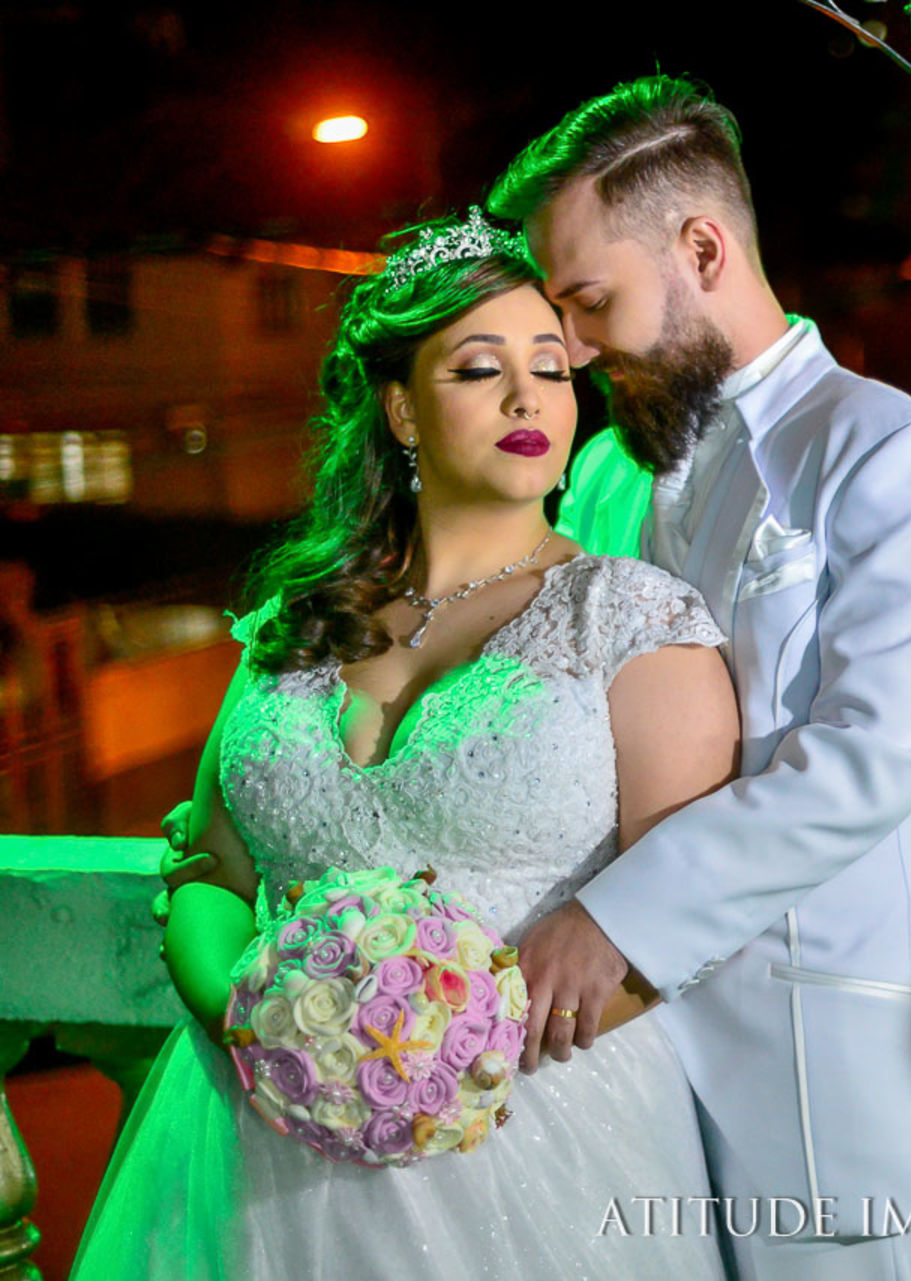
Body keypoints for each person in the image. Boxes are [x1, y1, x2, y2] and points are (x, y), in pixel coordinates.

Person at [78, 208, 739, 1280]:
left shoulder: (636, 625)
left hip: (539, 1139)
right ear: (400, 410)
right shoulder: (297, 620)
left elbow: (692, 906)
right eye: (481, 370)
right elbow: (211, 867)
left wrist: (444, 1063)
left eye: (552, 368)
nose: (529, 397)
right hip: (257, 1146)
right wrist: (264, 1028)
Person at [483, 76, 911, 1281]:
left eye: (590, 299)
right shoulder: (606, 473)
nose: (572, 345)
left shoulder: (890, 456)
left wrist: (613, 922)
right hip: (612, 1089)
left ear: (703, 246)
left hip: (819, 1091)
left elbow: (867, 766)